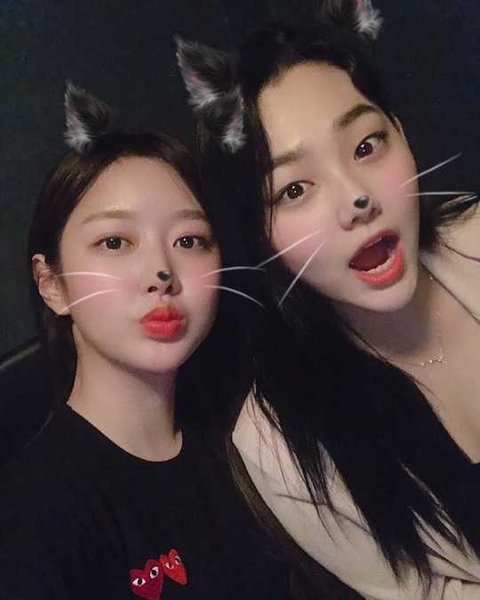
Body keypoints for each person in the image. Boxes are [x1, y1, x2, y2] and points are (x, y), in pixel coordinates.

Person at [176, 1, 480, 598]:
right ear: (259, 233)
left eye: (366, 146)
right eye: (294, 189)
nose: (355, 200)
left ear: (402, 135)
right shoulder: (280, 443)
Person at [0, 82, 289, 600]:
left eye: (188, 240)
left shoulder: (249, 436)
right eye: (115, 242)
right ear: (53, 284)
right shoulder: (36, 517)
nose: (161, 271)